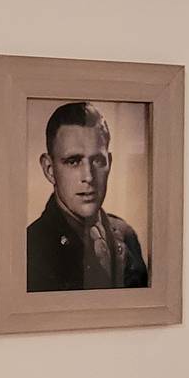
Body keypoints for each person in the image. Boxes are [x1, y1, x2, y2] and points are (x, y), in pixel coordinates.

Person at [26, 101, 148, 292]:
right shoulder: (30, 248)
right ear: (49, 169)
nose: (89, 177)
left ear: (109, 163)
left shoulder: (126, 235)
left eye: (98, 160)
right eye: (73, 161)